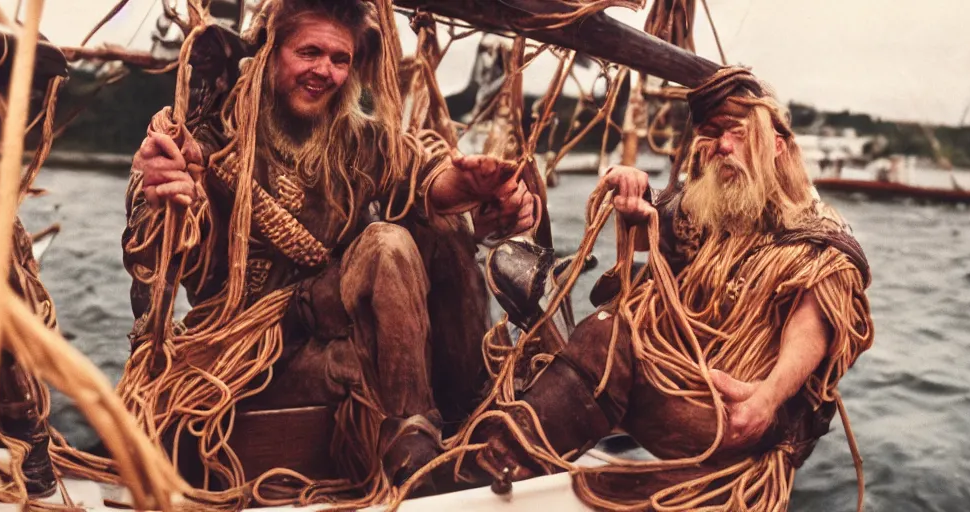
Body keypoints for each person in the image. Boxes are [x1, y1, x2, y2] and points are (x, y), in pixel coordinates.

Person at [122, 0, 538, 487]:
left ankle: (450, 422)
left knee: (441, 234)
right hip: (250, 354)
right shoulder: (213, 141)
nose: (326, 71)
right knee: (386, 243)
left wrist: (474, 188)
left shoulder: (360, 142)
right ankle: (417, 456)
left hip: (332, 322)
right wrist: (162, 193)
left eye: (340, 59)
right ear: (271, 54)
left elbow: (421, 175)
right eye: (310, 52)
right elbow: (157, 258)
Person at [474, 68, 874, 508]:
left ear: (777, 144)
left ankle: (500, 462)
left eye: (738, 133)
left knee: (608, 339)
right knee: (604, 331)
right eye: (711, 134)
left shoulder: (819, 232)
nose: (723, 146)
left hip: (733, 417)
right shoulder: (719, 208)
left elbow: (815, 322)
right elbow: (653, 223)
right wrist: (632, 193)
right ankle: (518, 448)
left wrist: (766, 399)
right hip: (686, 386)